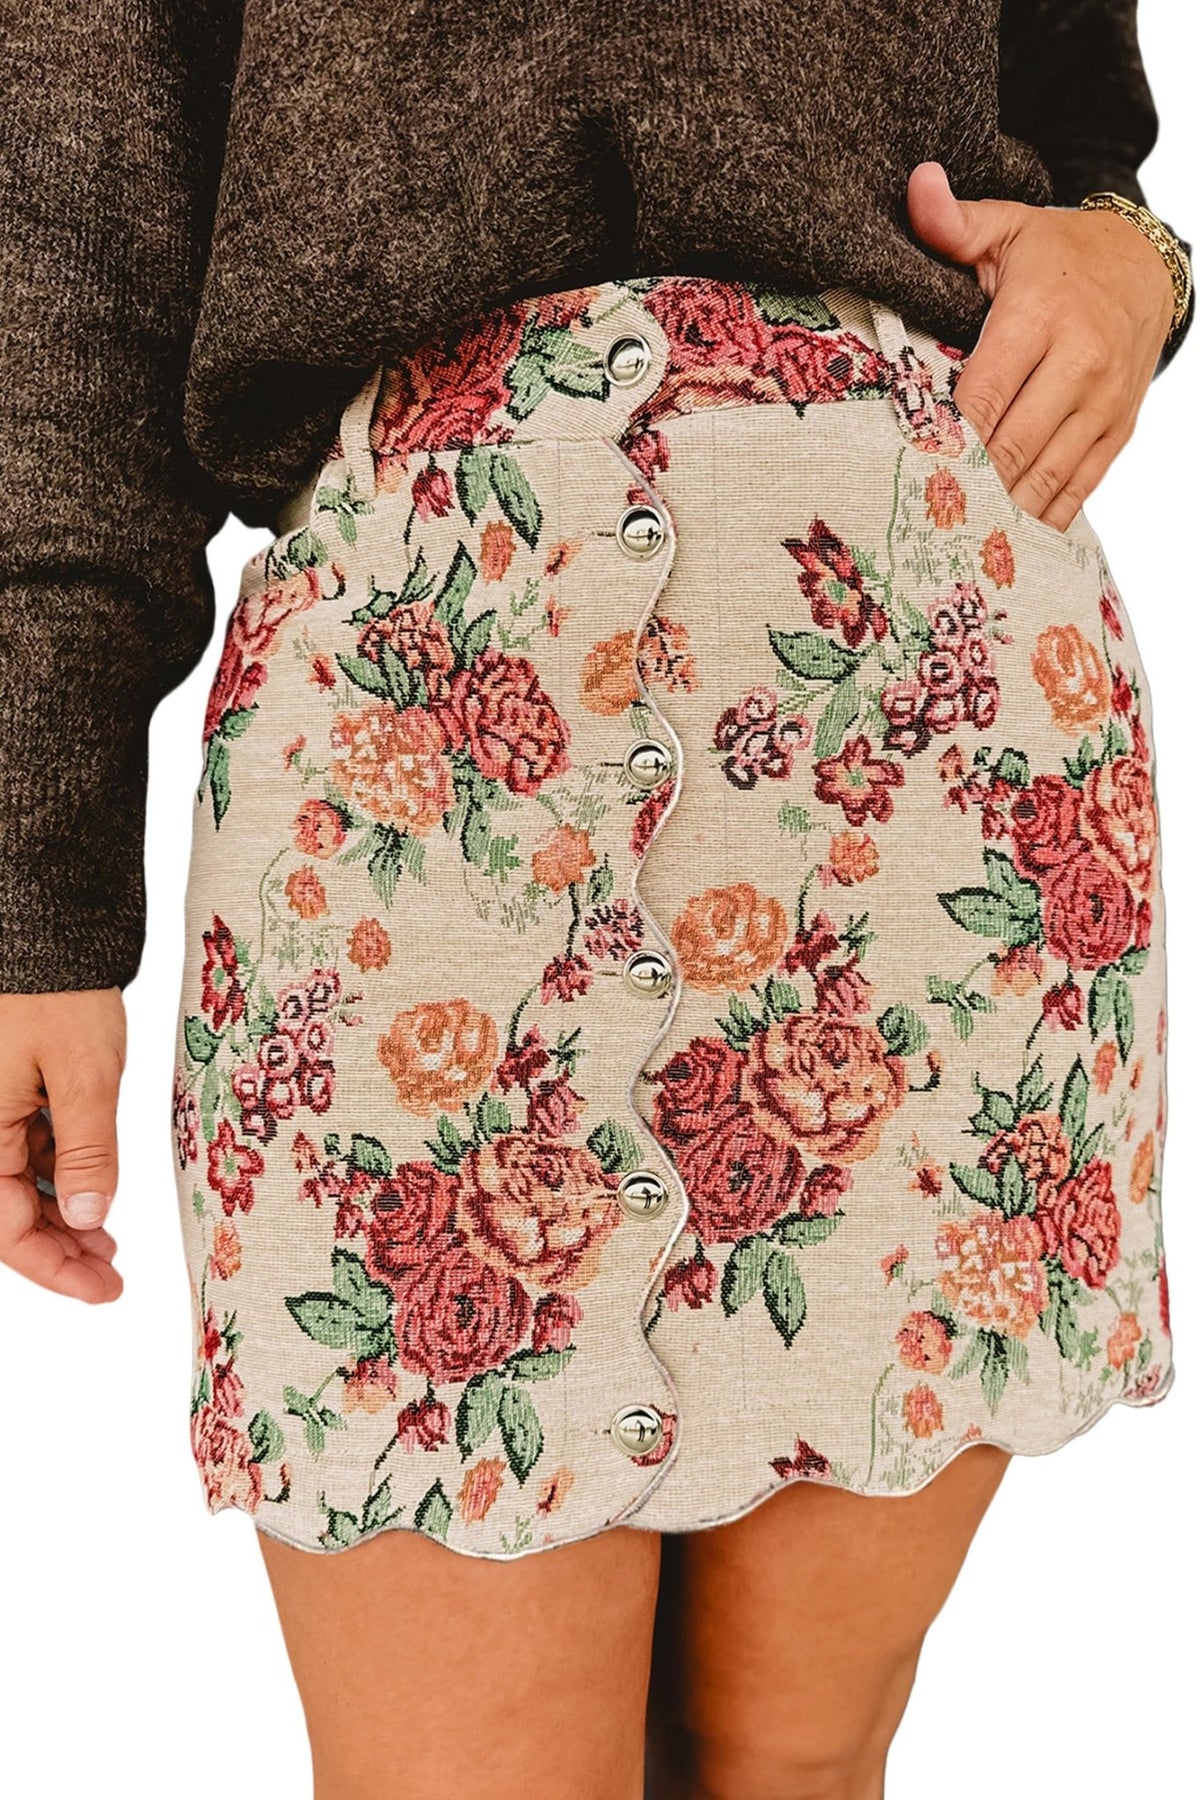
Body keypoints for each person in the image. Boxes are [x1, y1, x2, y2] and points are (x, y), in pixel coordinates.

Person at [0, 5, 1190, 1797]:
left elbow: (1069, 114)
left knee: (793, 1760)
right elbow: (61, 244)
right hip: (419, 744)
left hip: (931, 728)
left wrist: (1132, 257)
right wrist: (32, 887)